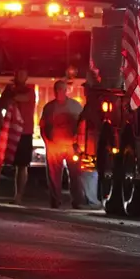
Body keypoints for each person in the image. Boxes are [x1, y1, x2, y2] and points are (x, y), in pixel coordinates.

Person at [40, 80, 84, 208]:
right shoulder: (49, 108)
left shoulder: (76, 106)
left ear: (66, 91)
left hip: (71, 146)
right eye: (57, 89)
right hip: (54, 146)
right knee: (54, 176)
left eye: (62, 89)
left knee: (76, 174)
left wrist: (78, 143)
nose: (59, 92)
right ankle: (55, 201)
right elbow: (42, 126)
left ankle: (77, 201)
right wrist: (47, 142)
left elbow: (81, 126)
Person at [0, 69, 36, 205]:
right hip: (10, 130)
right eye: (18, 73)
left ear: (27, 77)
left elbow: (22, 98)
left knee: (22, 165)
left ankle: (18, 195)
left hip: (25, 131)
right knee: (2, 162)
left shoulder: (30, 91)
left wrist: (11, 92)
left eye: (23, 74)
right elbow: (2, 103)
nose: (20, 76)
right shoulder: (10, 90)